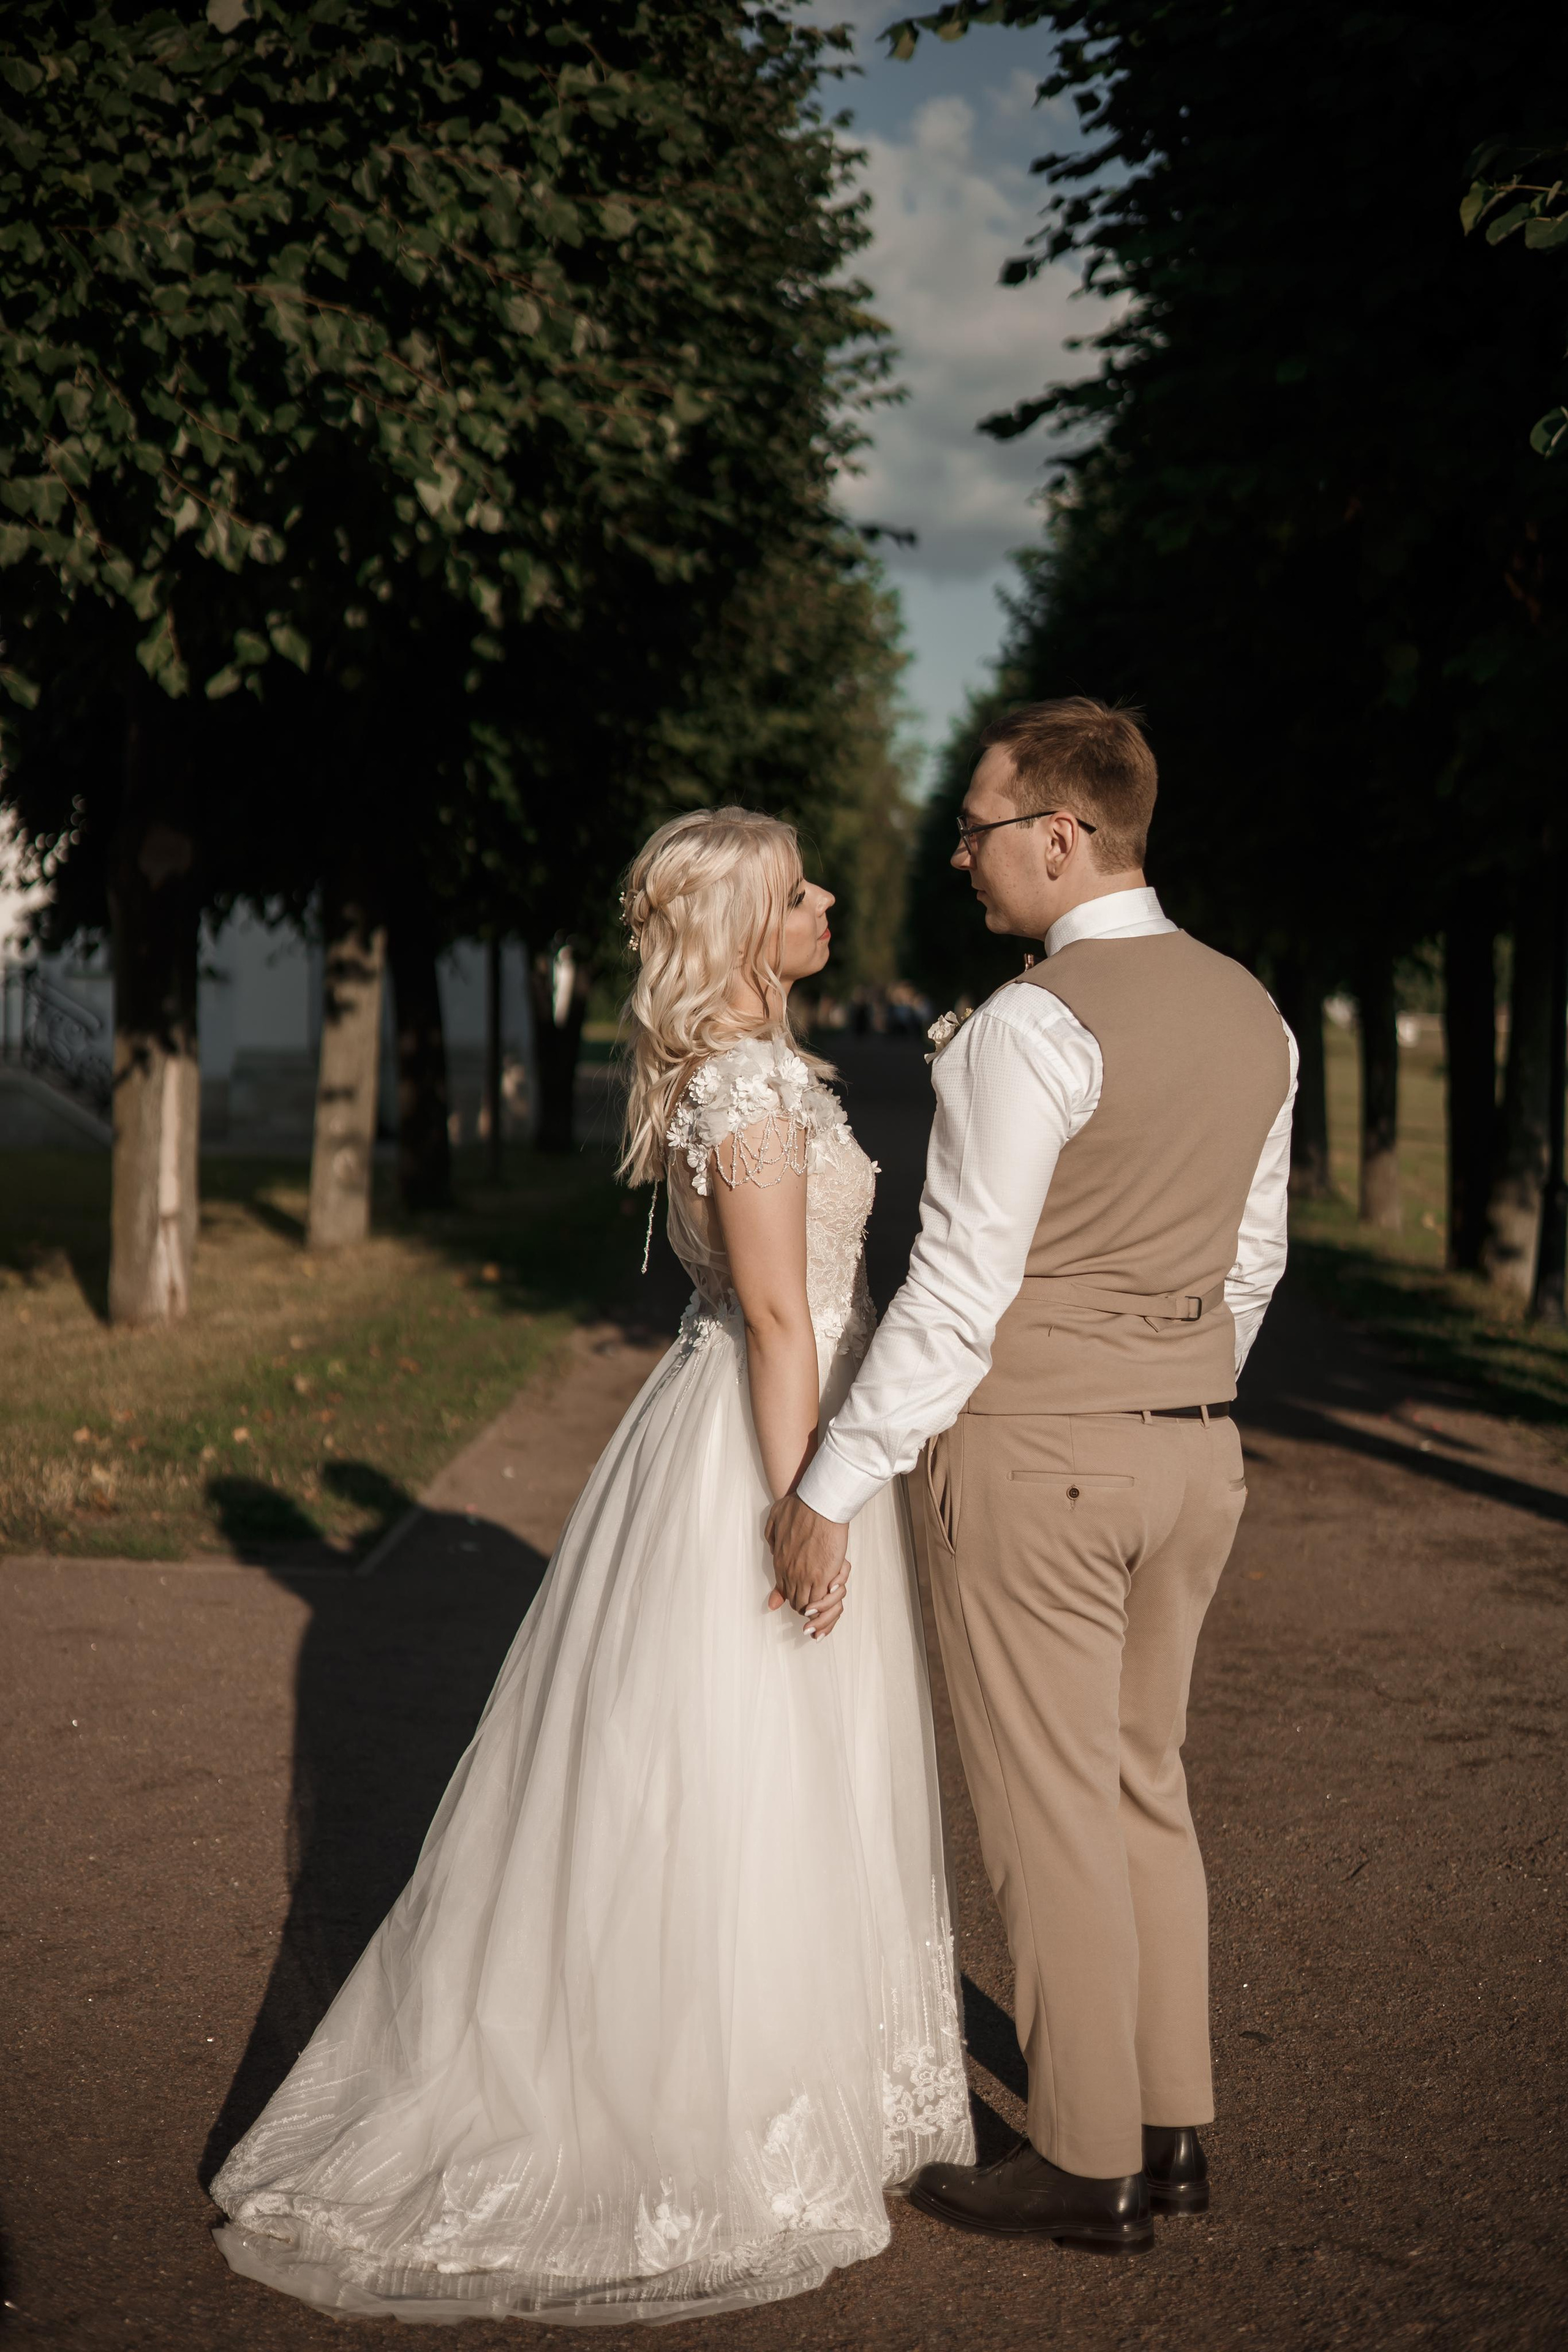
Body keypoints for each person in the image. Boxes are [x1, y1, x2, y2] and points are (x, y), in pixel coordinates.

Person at [209, 808, 972, 2324]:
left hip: (778, 1422)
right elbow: (773, 1319)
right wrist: (804, 1503)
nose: (826, 900)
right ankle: (703, 2094)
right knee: (740, 1765)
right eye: (800, 888)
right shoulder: (746, 1082)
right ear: (749, 929)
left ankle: (796, 2070)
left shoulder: (754, 1069)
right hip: (768, 1441)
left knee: (767, 1769)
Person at [770, 699, 1296, 2255]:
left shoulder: (1029, 1027)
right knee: (1145, 1782)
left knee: (1049, 1806)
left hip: (1038, 1461)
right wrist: (1168, 1386)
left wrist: (831, 1481)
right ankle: (1173, 2119)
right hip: (1194, 1451)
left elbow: (953, 1293)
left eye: (980, 828)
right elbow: (1250, 1264)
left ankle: (1080, 2155)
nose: (961, 856)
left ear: (1060, 837)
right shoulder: (1253, 1013)